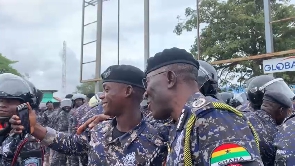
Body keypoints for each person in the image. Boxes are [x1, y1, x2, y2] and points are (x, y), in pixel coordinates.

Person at [9, 65, 167, 165]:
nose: (102, 97)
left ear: (128, 91)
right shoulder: (99, 130)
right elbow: (70, 143)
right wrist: (34, 127)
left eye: (106, 89)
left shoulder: (160, 138)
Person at [143, 47, 262, 165]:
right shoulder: (184, 123)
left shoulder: (215, 119)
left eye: (147, 82)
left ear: (170, 78)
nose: (145, 93)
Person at [0, 73, 44, 166]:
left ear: (25, 106)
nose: (2, 105)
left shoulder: (28, 140)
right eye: (1, 101)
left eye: (9, 101)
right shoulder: (9, 131)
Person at [245, 91, 292, 165]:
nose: (288, 116)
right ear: (281, 110)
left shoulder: (243, 118)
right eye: (288, 112)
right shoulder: (276, 135)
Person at [50, 99, 72, 166]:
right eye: (65, 106)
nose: (67, 107)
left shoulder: (72, 113)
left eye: (68, 105)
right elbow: (52, 124)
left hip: (69, 136)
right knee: (58, 156)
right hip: (59, 136)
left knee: (69, 157)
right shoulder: (57, 113)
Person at [68, 93, 86, 166]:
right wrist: (70, 135)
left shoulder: (86, 110)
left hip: (83, 135)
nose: (78, 102)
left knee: (84, 156)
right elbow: (70, 124)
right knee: (74, 156)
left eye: (80, 100)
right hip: (74, 134)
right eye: (77, 100)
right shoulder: (72, 111)